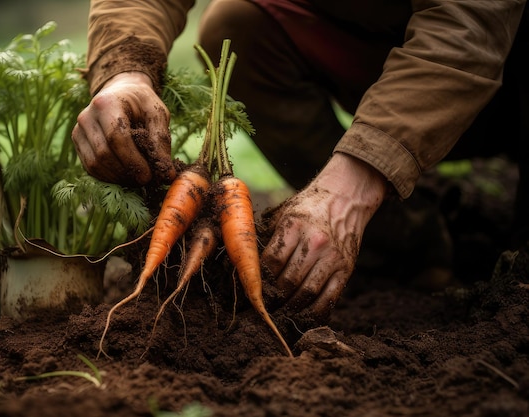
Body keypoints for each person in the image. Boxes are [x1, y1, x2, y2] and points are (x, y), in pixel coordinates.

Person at [72, 0, 528, 323]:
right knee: (234, 25)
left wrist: (354, 182)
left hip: (490, 72)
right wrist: (124, 72)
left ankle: (355, 208)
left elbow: (468, 28)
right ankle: (404, 238)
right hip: (373, 48)